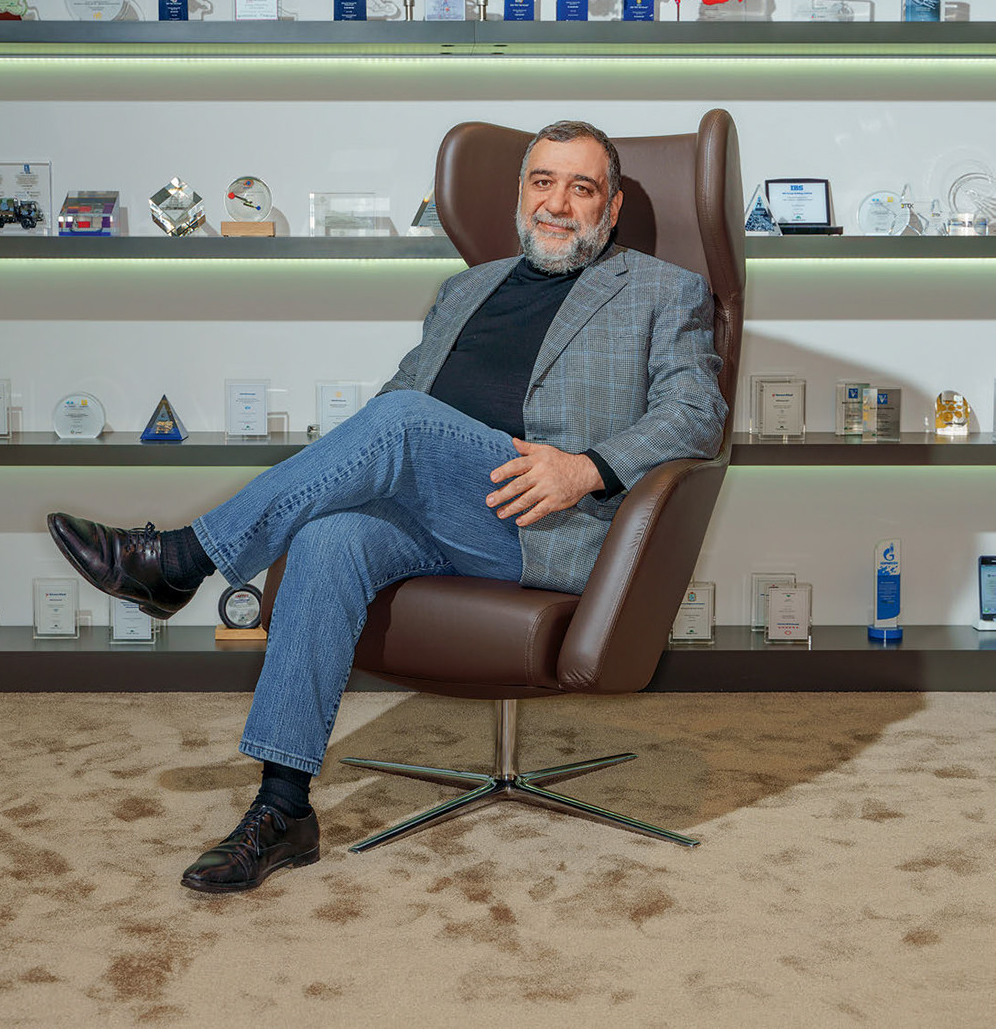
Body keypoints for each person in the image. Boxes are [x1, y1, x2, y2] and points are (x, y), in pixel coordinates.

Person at [47, 120, 726, 895]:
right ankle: (282, 808)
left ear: (612, 205)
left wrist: (586, 468)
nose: (558, 203)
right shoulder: (466, 289)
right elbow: (396, 402)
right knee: (329, 536)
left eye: (582, 187)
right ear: (520, 193)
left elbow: (696, 413)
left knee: (402, 420)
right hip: (438, 510)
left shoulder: (663, 289)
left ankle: (181, 559)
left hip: (543, 524)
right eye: (543, 181)